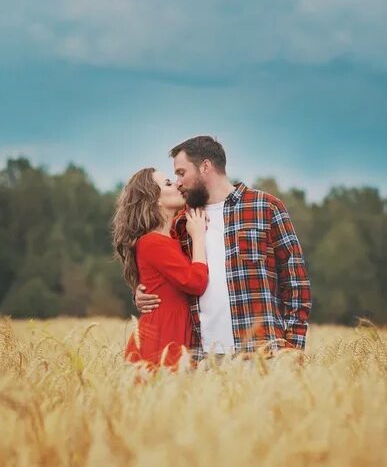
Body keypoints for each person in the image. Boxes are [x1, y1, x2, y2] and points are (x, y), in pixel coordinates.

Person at [135, 136, 312, 363]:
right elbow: (162, 269)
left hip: (262, 352)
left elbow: (296, 281)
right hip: (201, 356)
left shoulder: (265, 207)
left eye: (181, 172)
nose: (178, 182)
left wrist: (293, 348)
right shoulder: (181, 222)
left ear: (205, 167)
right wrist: (141, 292)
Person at [112, 167, 208, 369]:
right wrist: (198, 237)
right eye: (167, 183)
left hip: (173, 333)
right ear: (154, 199)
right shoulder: (152, 242)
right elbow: (196, 283)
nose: (177, 184)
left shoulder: (173, 236)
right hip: (162, 338)